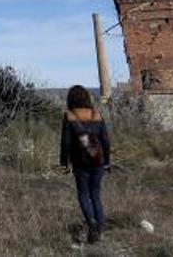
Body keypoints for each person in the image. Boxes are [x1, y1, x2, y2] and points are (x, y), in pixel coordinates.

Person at [59, 85, 111, 243]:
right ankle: (99, 230)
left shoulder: (69, 116)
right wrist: (107, 161)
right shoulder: (96, 114)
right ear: (87, 98)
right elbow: (106, 141)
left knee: (83, 194)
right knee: (96, 195)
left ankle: (91, 222)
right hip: (98, 161)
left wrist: (64, 162)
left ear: (71, 99)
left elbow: (66, 142)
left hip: (80, 162)